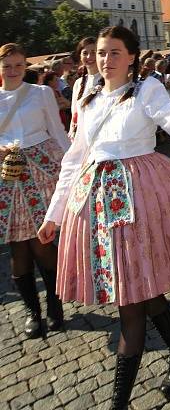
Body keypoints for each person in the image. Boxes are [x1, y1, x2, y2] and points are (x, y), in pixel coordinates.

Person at [38, 26, 170, 409]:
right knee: (141, 287)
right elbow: (74, 161)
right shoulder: (86, 96)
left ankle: (118, 402)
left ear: (132, 56)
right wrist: (54, 214)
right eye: (102, 52)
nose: (106, 59)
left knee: (132, 300)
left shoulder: (147, 90)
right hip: (97, 204)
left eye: (115, 52)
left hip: (140, 200)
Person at [0, 42, 69, 339]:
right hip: (9, 175)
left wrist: (74, 167)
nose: (13, 70)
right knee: (18, 245)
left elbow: (57, 131)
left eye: (18, 64)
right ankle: (32, 311)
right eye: (7, 65)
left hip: (41, 168)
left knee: (41, 240)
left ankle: (54, 304)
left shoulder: (40, 93)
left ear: (25, 65)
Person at [70, 37, 102, 139]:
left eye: (93, 52)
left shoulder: (109, 80)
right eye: (85, 53)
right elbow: (74, 115)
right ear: (80, 56)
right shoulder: (78, 84)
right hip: (81, 139)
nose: (89, 56)